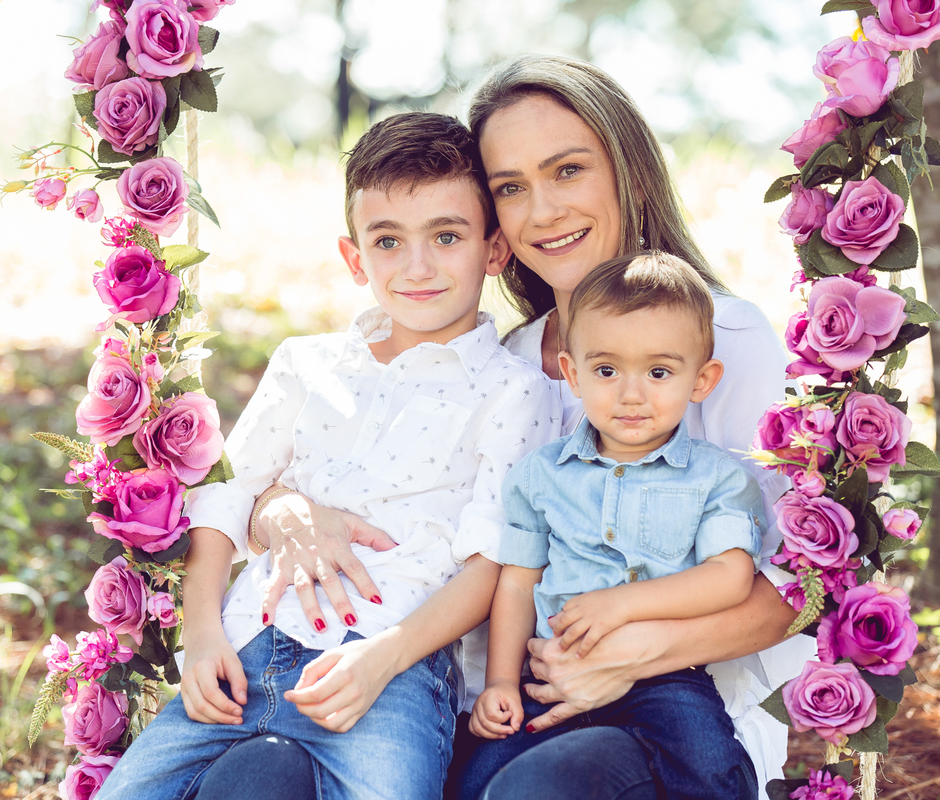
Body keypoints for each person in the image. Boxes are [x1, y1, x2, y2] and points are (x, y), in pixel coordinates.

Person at [248, 55, 815, 800]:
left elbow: (802, 581)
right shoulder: (505, 364)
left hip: (679, 704)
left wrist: (638, 652)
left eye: (567, 170)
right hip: (508, 699)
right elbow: (410, 512)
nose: (542, 211)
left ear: (628, 171)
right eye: (510, 188)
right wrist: (280, 505)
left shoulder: (724, 339)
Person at [95, 112, 560, 800]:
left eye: (447, 236)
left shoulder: (514, 391)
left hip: (393, 668)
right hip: (247, 648)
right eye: (388, 241)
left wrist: (385, 659)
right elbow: (225, 498)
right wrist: (202, 635)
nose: (418, 266)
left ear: (494, 249)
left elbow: (492, 560)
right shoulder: (305, 363)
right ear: (354, 257)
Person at [465, 252, 763, 800]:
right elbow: (518, 582)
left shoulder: (716, 478)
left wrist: (621, 605)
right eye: (606, 371)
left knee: (708, 764)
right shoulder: (540, 475)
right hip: (549, 673)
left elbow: (730, 577)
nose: (631, 394)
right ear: (573, 374)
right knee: (478, 775)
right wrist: (501, 681)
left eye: (658, 372)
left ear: (701, 380)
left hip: (663, 676)